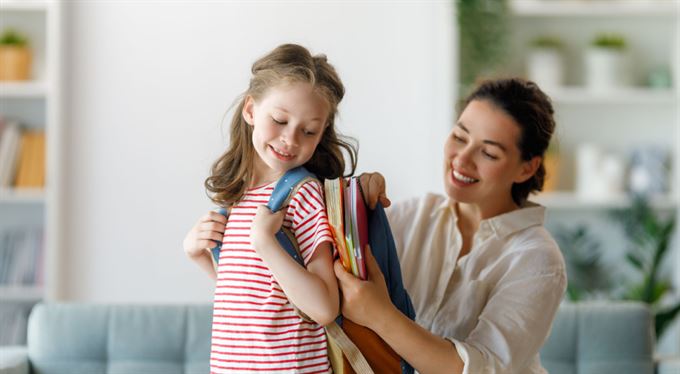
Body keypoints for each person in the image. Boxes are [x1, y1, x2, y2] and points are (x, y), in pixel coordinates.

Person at [338, 78, 567, 374]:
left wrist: (380, 314)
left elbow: (482, 368)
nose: (462, 159)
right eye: (460, 137)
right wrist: (355, 202)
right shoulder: (411, 216)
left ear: (527, 168)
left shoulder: (538, 260)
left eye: (488, 153)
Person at [182, 44, 357, 373]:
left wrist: (265, 243)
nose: (290, 139)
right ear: (250, 110)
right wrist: (198, 255)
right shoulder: (239, 197)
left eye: (308, 131)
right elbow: (253, 299)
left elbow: (323, 307)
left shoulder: (302, 195)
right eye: (280, 120)